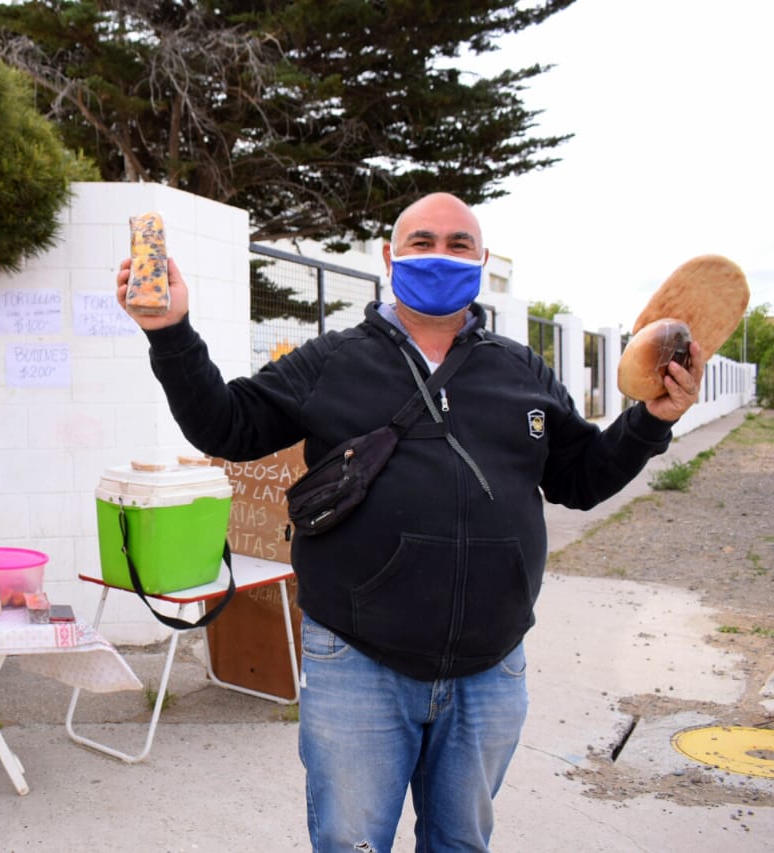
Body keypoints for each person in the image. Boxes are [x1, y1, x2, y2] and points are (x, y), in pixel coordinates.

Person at [115, 193, 702, 853]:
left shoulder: (521, 370)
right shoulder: (331, 361)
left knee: (461, 844)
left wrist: (650, 421)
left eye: (459, 244)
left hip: (491, 668)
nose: (441, 255)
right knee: (351, 843)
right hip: (357, 665)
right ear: (391, 258)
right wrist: (170, 333)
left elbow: (581, 477)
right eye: (423, 242)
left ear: (481, 260)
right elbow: (226, 423)